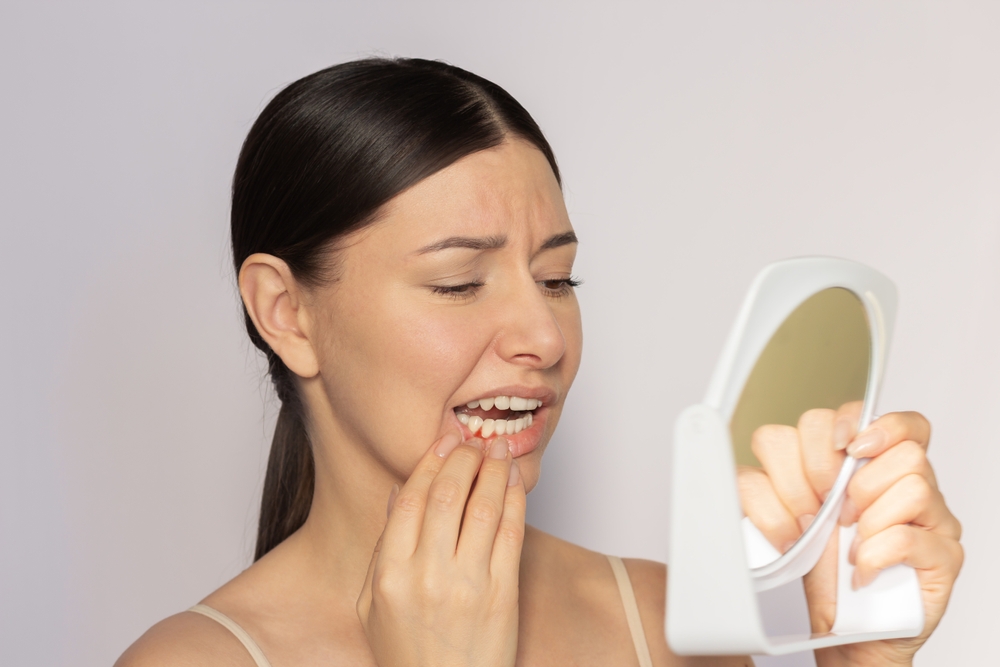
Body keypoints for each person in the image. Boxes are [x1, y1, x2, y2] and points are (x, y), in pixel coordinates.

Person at [116, 58, 962, 667]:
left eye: (557, 278)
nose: (545, 337)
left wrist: (865, 661)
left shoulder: (667, 625)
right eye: (458, 282)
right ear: (286, 313)